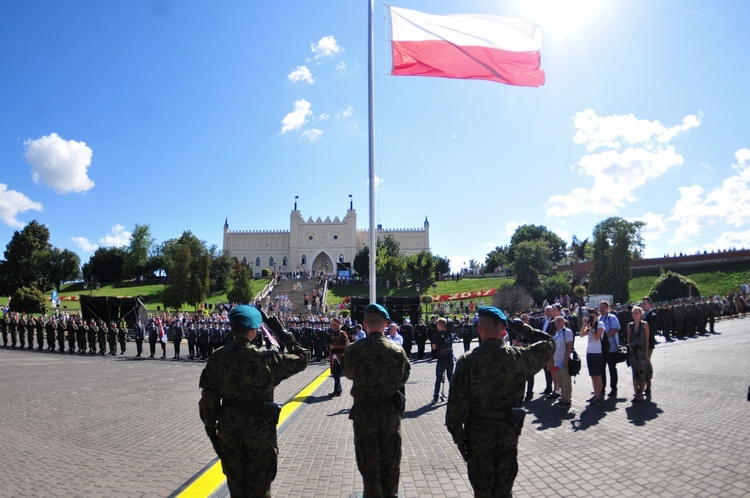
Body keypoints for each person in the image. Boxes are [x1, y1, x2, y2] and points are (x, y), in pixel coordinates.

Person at [199, 304, 310, 498]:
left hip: (229, 431)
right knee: (260, 490)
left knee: (236, 489)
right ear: (254, 330)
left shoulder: (217, 357)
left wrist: (212, 433)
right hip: (259, 432)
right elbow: (303, 357)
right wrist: (280, 331)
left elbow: (208, 401)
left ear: (232, 327)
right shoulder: (266, 359)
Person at [446, 306, 555, 497]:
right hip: (507, 431)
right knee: (504, 490)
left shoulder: (467, 362)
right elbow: (549, 342)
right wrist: (522, 328)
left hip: (477, 434)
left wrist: (460, 441)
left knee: (482, 491)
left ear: (479, 330)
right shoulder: (518, 357)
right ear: (504, 330)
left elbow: (455, 410)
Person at [342, 303, 411, 498]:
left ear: (364, 324)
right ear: (386, 324)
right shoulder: (396, 350)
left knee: (368, 465)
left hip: (364, 413)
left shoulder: (352, 350)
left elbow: (348, 374)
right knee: (391, 463)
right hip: (389, 413)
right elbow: (403, 378)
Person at [627, 306, 653, 402]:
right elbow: (628, 338)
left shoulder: (644, 325)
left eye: (636, 313)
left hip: (642, 353)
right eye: (633, 313)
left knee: (642, 373)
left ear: (641, 314)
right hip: (633, 354)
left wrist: (646, 354)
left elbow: (647, 340)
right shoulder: (630, 325)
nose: (634, 315)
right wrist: (630, 347)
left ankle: (640, 394)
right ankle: (636, 393)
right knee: (635, 374)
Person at [580, 309, 605, 404]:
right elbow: (581, 334)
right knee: (593, 376)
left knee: (598, 376)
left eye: (592, 316)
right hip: (589, 352)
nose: (591, 317)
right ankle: (595, 394)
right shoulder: (590, 325)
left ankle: (598, 397)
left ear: (597, 316)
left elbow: (597, 337)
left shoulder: (600, 324)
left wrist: (590, 328)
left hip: (597, 353)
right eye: (589, 316)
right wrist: (584, 324)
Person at [599, 300, 621, 398]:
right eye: (600, 307)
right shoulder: (599, 318)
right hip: (601, 349)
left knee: (612, 368)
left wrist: (606, 336)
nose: (601, 309)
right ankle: (602, 388)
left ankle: (613, 388)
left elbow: (616, 328)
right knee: (601, 369)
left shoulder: (612, 317)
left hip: (611, 347)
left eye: (603, 307)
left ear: (608, 308)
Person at [551, 316, 574, 408]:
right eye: (556, 321)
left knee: (566, 381)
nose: (558, 323)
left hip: (563, 361)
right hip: (556, 361)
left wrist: (566, 360)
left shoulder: (567, 332)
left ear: (564, 322)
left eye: (560, 321)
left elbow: (569, 346)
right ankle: (563, 398)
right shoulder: (556, 333)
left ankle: (567, 400)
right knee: (560, 381)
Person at [431, 318, 455, 404]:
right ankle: (453, 396)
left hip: (441, 359)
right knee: (451, 378)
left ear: (440, 326)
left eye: (437, 325)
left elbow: (433, 347)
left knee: (438, 379)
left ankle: (435, 397)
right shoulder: (451, 334)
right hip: (450, 359)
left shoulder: (436, 335)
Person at [328, 317, 350, 397]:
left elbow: (346, 344)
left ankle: (338, 390)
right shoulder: (333, 333)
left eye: (332, 324)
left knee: (340, 373)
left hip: (340, 356)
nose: (331, 326)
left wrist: (334, 346)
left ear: (336, 325)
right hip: (334, 356)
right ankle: (337, 390)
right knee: (335, 374)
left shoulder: (342, 333)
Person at [642, 297, 658, 397]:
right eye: (642, 304)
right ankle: (644, 386)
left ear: (650, 304)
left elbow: (650, 330)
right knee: (642, 364)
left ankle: (648, 386)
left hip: (648, 343)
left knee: (646, 363)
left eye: (645, 304)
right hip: (641, 343)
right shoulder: (643, 315)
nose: (643, 306)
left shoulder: (653, 315)